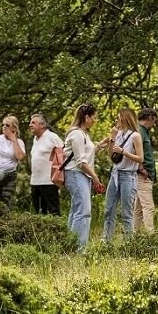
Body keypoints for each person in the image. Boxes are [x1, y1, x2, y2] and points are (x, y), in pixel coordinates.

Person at [62, 104, 104, 250]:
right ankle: (79, 248)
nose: (95, 120)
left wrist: (98, 146)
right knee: (84, 211)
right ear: (86, 117)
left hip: (81, 175)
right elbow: (80, 162)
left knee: (76, 210)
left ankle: (70, 245)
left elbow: (86, 155)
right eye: (94, 117)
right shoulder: (76, 134)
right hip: (75, 173)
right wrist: (95, 176)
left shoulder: (84, 134)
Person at [99, 108, 144, 242]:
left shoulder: (135, 136)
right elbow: (112, 156)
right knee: (109, 209)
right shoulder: (118, 134)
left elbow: (140, 158)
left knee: (126, 212)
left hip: (128, 176)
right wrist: (112, 139)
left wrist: (124, 151)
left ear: (125, 118)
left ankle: (128, 243)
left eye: (118, 117)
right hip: (115, 174)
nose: (116, 120)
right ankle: (106, 241)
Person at [28, 113, 63, 215]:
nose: (30, 125)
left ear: (42, 125)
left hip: (49, 182)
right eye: (30, 122)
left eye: (33, 123)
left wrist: (59, 174)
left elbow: (64, 153)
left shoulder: (52, 137)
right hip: (35, 182)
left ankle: (57, 231)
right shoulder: (35, 139)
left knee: (53, 212)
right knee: (39, 213)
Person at [133, 107, 158, 233]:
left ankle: (133, 236)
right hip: (143, 175)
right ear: (150, 118)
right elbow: (134, 150)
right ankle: (151, 235)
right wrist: (141, 168)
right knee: (149, 207)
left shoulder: (144, 132)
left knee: (138, 209)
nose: (154, 124)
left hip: (145, 174)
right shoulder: (139, 132)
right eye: (154, 121)